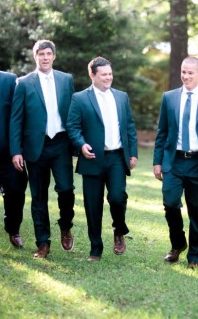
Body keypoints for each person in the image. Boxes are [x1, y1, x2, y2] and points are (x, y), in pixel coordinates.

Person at [153, 56, 198, 269]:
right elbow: (162, 132)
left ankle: (195, 255)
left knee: (196, 210)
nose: (186, 76)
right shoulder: (169, 98)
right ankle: (178, 244)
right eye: (183, 72)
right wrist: (157, 162)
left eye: (190, 72)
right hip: (174, 161)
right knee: (170, 203)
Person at [65, 57, 138, 262]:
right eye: (104, 74)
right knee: (92, 205)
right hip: (92, 158)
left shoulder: (122, 97)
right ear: (93, 75)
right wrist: (81, 144)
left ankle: (119, 229)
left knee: (117, 197)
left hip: (116, 157)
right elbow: (73, 126)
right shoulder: (80, 99)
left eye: (110, 74)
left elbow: (130, 127)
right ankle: (95, 248)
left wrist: (132, 153)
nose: (108, 78)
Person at [9, 40, 76, 259]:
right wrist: (15, 151)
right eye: (41, 54)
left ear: (54, 56)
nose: (45, 57)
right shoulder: (24, 83)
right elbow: (16, 119)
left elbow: (74, 113)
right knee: (38, 197)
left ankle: (65, 226)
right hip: (35, 147)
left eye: (48, 54)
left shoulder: (66, 80)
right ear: (35, 56)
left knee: (66, 189)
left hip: (61, 143)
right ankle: (43, 243)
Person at [0, 60, 25, 248]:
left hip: (7, 151)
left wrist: (17, 150)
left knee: (15, 192)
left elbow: (18, 116)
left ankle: (13, 229)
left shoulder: (9, 80)